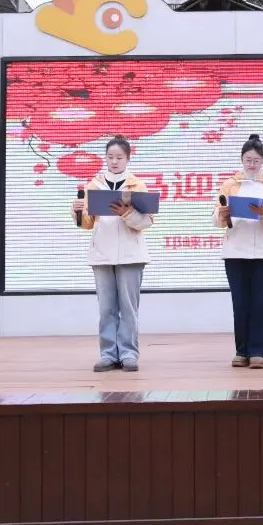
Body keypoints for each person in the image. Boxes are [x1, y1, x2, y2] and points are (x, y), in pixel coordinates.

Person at [71, 135, 153, 373]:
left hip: (131, 255)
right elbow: (87, 223)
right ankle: (108, 354)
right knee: (106, 308)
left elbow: (147, 222)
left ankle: (128, 353)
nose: (114, 162)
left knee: (128, 308)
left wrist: (126, 213)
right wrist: (76, 211)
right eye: (110, 157)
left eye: (119, 157)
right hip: (102, 254)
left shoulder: (137, 186)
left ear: (128, 158)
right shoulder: (93, 185)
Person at [213, 134, 263, 369]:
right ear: (242, 159)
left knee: (262, 303)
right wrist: (221, 214)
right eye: (248, 160)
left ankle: (258, 352)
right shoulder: (230, 184)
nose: (251, 165)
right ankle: (242, 350)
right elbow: (216, 218)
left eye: (256, 160)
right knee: (241, 303)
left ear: (262, 161)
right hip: (235, 251)